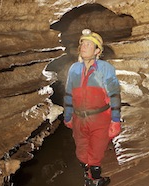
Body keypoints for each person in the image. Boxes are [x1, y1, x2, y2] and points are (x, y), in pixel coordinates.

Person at [63, 29, 121, 186]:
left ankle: (95, 178)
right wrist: (67, 116)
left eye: (88, 44)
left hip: (100, 118)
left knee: (96, 151)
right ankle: (88, 178)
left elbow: (114, 95)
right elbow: (69, 95)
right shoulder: (74, 69)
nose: (83, 46)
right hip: (78, 118)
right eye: (82, 43)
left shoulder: (105, 68)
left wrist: (115, 121)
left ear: (97, 51)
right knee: (81, 150)